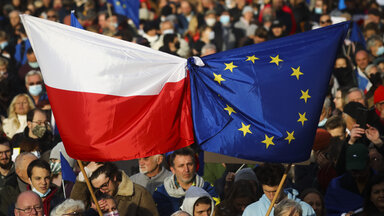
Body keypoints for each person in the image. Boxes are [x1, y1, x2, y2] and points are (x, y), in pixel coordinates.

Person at [70, 162, 159, 216]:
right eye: (98, 187)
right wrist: (83, 176)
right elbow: (73, 209)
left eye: (104, 185)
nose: (102, 190)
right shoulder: (95, 194)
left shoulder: (139, 193)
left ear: (114, 177)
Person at [153, 148, 219, 216]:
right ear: (172, 169)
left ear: (195, 165)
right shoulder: (161, 193)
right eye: (181, 166)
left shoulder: (208, 189)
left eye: (190, 164)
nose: (186, 170)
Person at [242, 163, 315, 216]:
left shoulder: (305, 209)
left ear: (284, 184)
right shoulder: (251, 211)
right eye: (267, 191)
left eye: (275, 191)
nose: (271, 196)